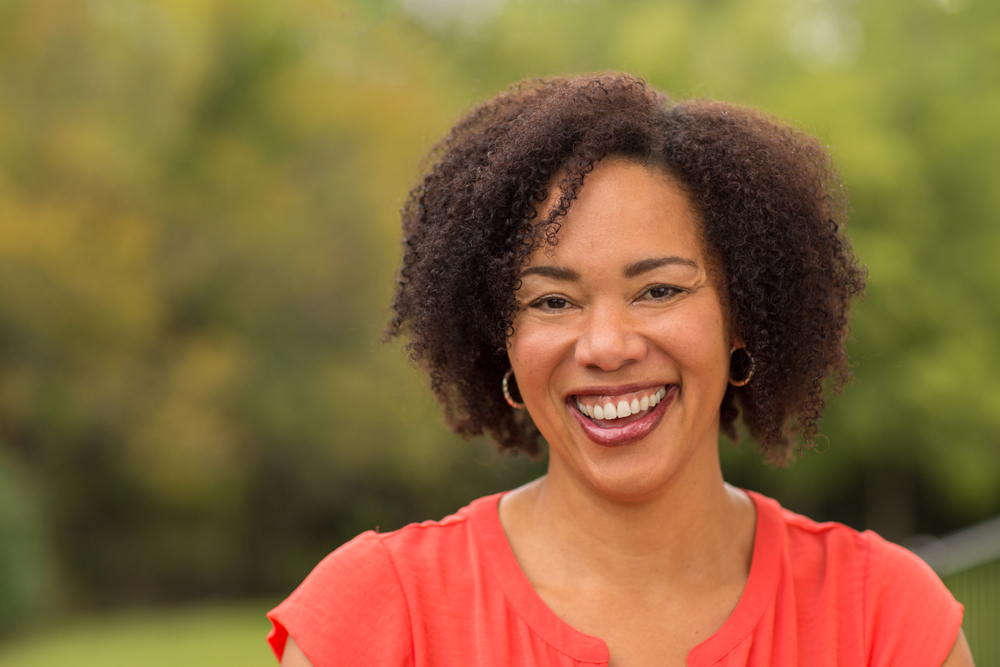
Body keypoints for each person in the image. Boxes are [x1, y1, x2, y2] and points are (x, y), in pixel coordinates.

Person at [266, 73, 973, 666]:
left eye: (659, 289)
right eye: (552, 300)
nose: (606, 344)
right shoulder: (376, 618)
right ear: (500, 340)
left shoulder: (888, 620)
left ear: (743, 314)